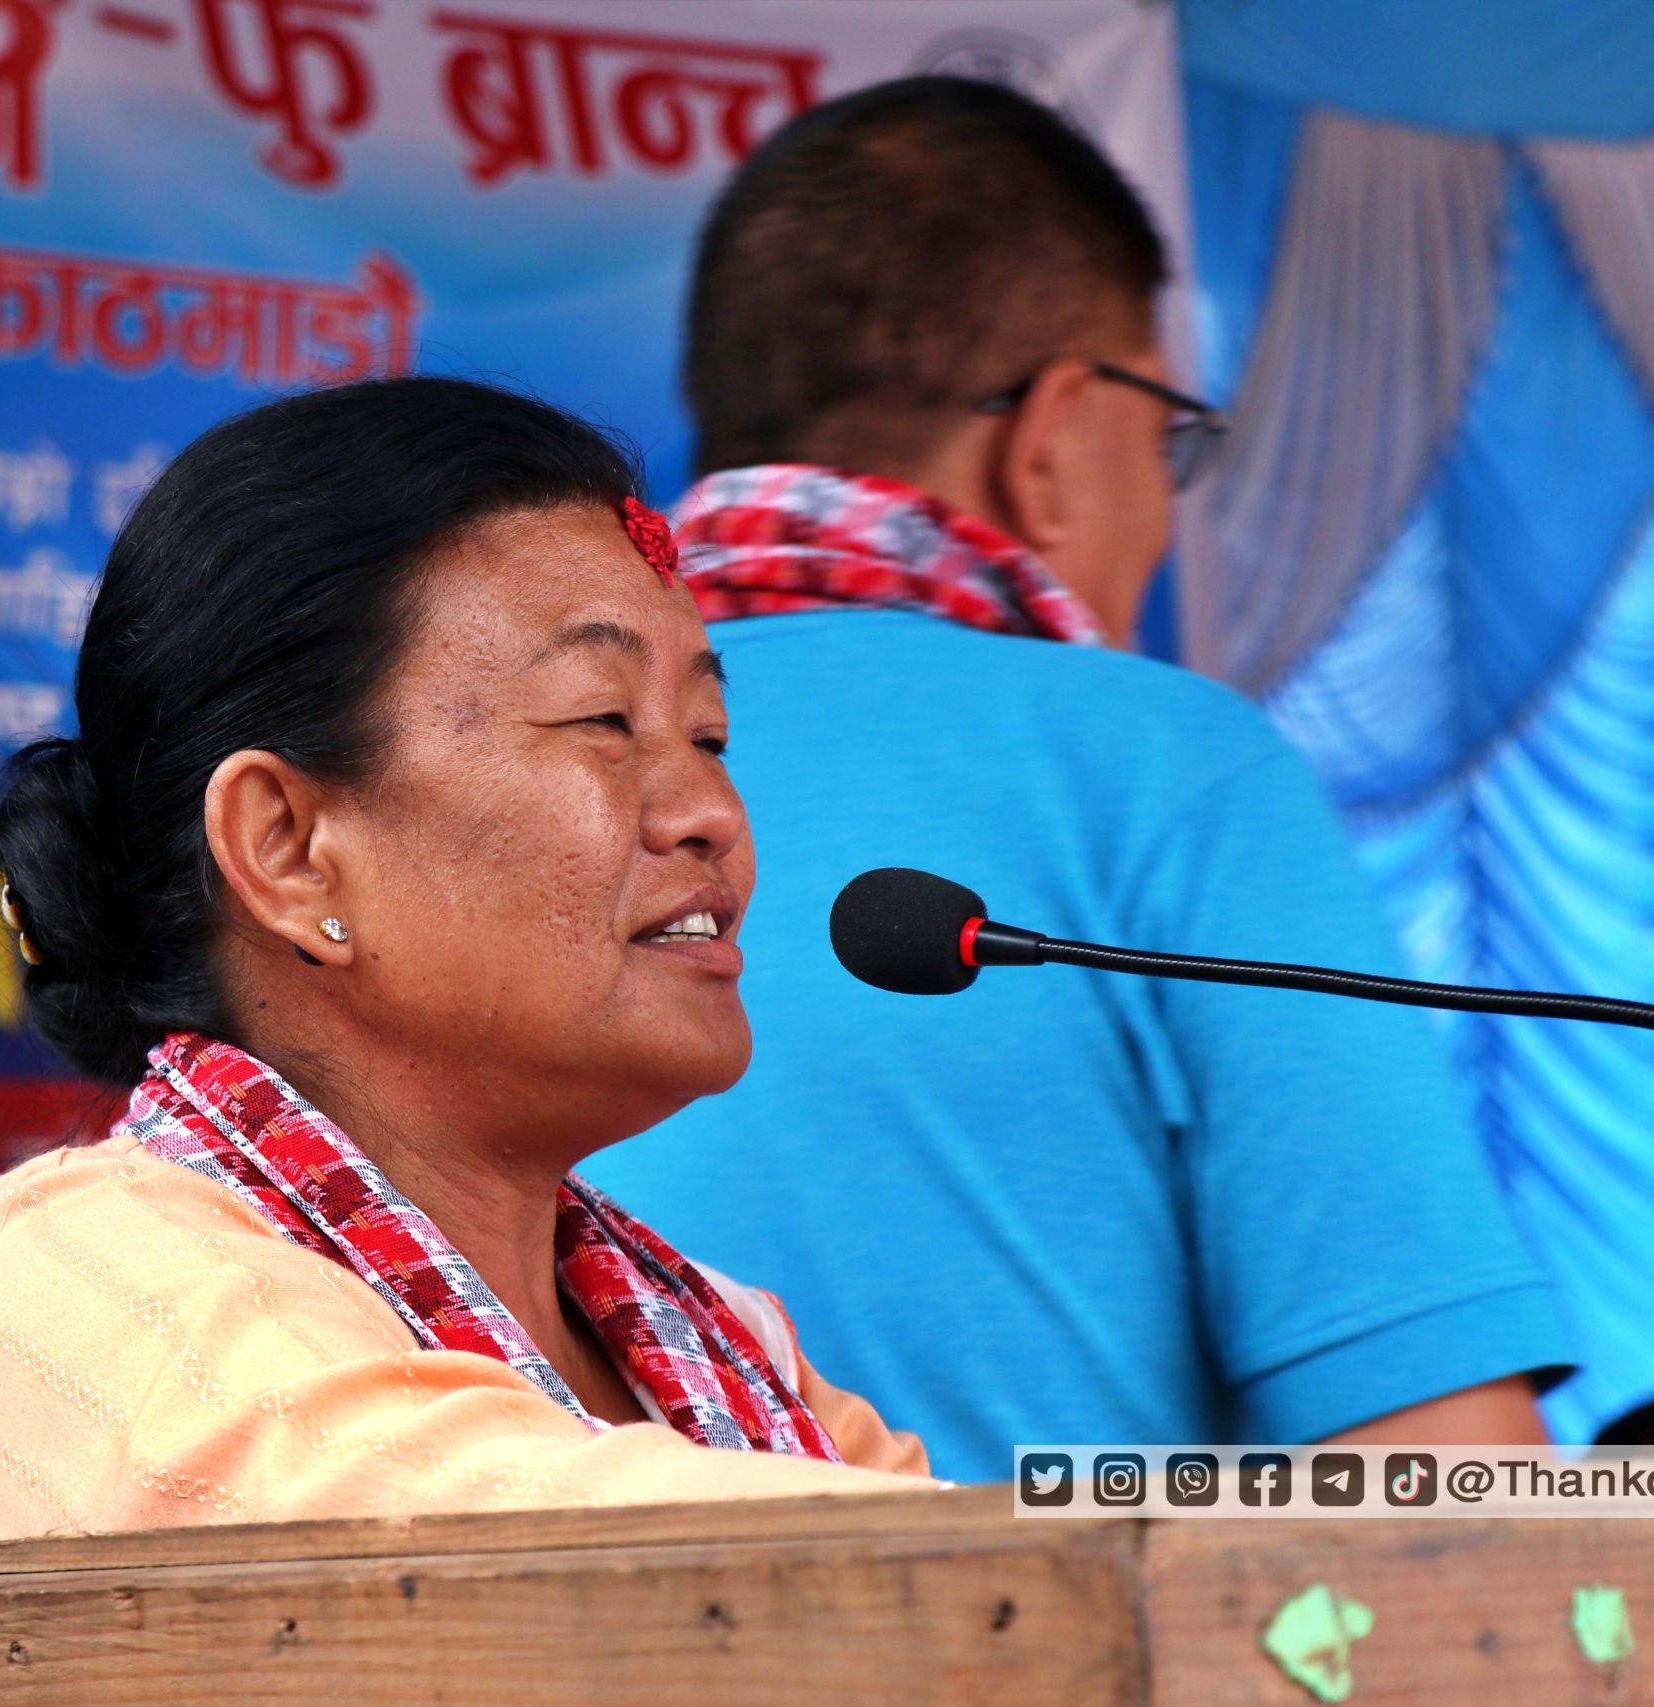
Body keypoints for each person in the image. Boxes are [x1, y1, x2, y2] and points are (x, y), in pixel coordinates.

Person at [0, 378, 932, 1705]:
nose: (711, 811)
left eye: (709, 735)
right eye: (605, 720)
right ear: (288, 847)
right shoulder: (69, 1272)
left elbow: (995, 1552)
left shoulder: (726, 1341)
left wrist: (1174, 1500)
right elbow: (536, 1571)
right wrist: (1163, 1521)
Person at [585, 76, 1571, 1479]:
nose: (1165, 502)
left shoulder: (513, 779)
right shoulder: (1172, 766)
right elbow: (1457, 1481)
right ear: (1051, 439)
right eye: (1167, 436)